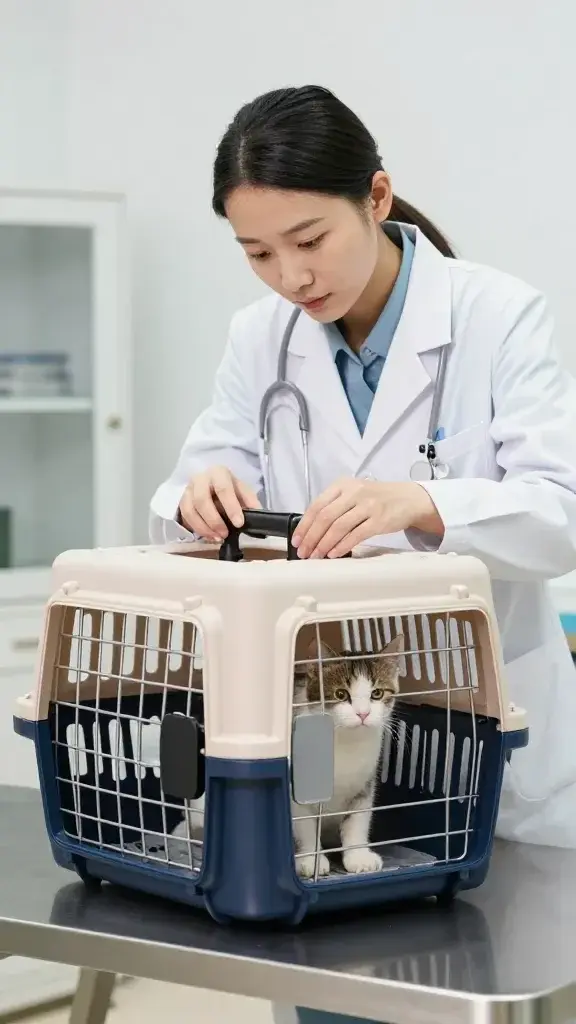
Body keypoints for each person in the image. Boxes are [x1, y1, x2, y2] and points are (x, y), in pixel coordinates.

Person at [150, 85, 576, 1023]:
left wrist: (425, 502)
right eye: (257, 253)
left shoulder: (499, 314)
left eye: (309, 240)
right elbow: (188, 489)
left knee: (481, 987)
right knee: (328, 987)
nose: (290, 278)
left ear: (376, 197)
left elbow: (560, 514)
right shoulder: (257, 338)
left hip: (481, 728)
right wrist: (197, 498)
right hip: (316, 732)